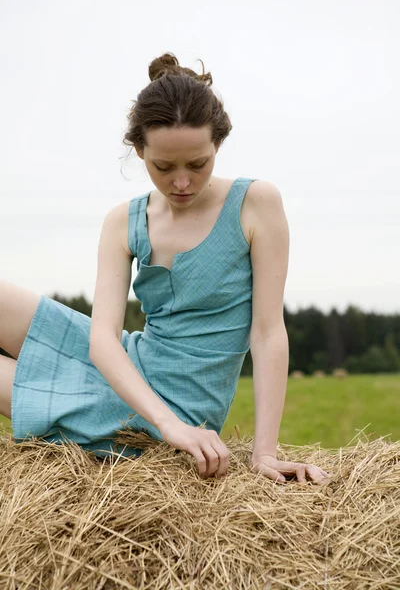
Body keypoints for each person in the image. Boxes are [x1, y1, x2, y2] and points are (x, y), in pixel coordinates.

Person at [0, 52, 330, 485]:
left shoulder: (256, 204)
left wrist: (263, 452)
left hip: (181, 407)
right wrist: (166, 421)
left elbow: (268, 332)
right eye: (162, 167)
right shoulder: (124, 221)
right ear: (139, 150)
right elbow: (102, 341)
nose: (181, 183)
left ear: (218, 146)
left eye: (198, 164)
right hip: (128, 368)